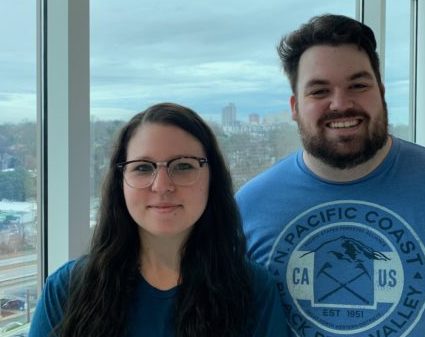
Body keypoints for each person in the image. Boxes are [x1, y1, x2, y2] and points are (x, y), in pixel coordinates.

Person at [236, 14, 425, 337]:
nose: (340, 103)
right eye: (319, 91)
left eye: (358, 85)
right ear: (295, 106)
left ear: (381, 91)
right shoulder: (248, 208)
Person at [29, 103, 288, 337]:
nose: (162, 185)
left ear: (213, 178)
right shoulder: (68, 288)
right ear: (121, 183)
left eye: (183, 166)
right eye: (142, 167)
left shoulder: (253, 289)